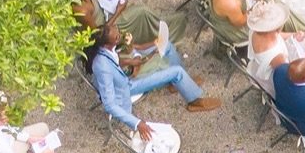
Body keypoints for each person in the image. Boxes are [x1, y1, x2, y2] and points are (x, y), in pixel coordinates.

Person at [86, 19, 221, 135]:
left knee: (166, 45)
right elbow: (109, 104)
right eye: (116, 37)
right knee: (177, 72)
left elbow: (115, 60)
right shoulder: (102, 67)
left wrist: (131, 60)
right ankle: (194, 101)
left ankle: (180, 84)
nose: (119, 36)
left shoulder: (105, 49)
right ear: (106, 44)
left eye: (117, 31)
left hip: (125, 72)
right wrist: (137, 123)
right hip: (126, 87)